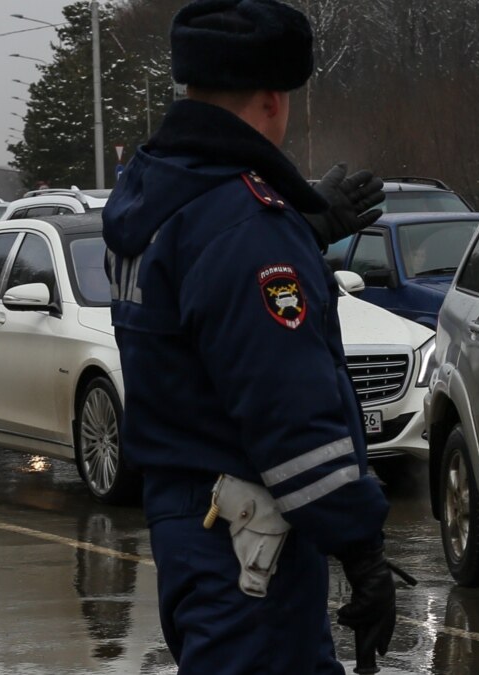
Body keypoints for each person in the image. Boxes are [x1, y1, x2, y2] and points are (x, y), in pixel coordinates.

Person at [102, 1, 397, 673]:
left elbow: (196, 311)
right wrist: (360, 545)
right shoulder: (245, 223)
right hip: (250, 544)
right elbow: (289, 408)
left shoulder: (154, 195)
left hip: (191, 526)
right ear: (272, 101)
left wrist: (301, 230)